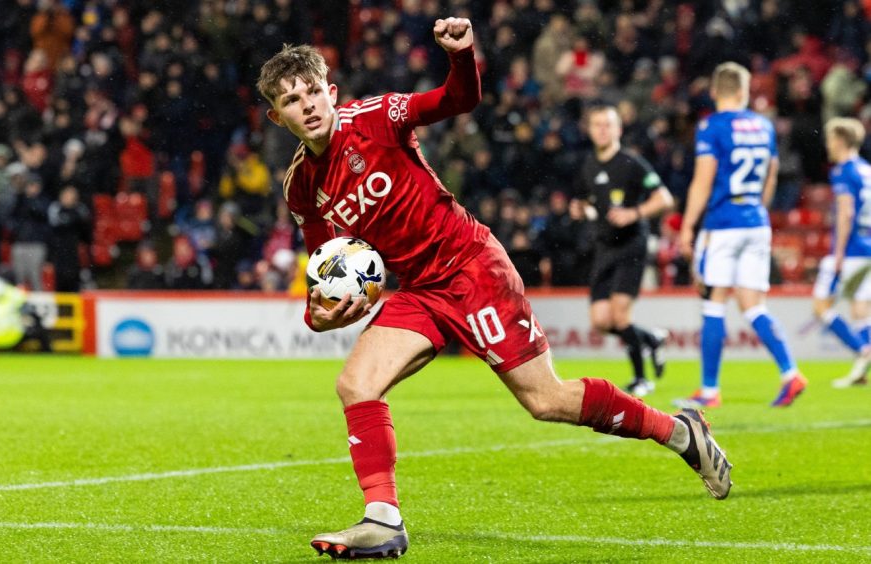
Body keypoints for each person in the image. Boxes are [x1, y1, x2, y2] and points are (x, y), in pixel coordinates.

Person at [259, 19, 732, 561]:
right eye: (292, 100)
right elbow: (325, 265)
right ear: (279, 116)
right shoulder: (301, 187)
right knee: (356, 384)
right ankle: (383, 519)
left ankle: (678, 432)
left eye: (314, 91)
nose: (308, 105)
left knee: (546, 400)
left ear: (331, 91)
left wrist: (462, 56)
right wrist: (319, 315)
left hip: (472, 268)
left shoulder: (376, 117)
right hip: (419, 291)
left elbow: (458, 99)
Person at [677, 62, 807, 409]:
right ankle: (790, 373)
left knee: (713, 302)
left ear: (716, 91)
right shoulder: (763, 126)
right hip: (756, 221)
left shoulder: (712, 126)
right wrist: (756, 209)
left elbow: (703, 181)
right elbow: (771, 176)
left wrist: (688, 225)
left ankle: (709, 390)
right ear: (744, 91)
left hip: (724, 223)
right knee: (753, 306)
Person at [570, 105, 674, 397]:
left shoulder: (632, 162)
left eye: (608, 125)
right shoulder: (589, 164)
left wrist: (634, 213)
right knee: (601, 322)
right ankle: (652, 338)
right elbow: (594, 204)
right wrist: (582, 209)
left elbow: (664, 198)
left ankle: (641, 379)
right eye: (597, 125)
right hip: (604, 246)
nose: (602, 129)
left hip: (631, 244)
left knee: (619, 316)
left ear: (618, 130)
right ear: (590, 130)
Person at [811, 118, 871, 388]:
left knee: (821, 305)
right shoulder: (867, 170)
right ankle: (861, 368)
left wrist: (837, 255)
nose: (827, 145)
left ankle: (863, 350)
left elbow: (846, 213)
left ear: (840, 140)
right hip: (868, 246)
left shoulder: (843, 171)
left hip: (851, 251)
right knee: (861, 308)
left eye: (830, 139)